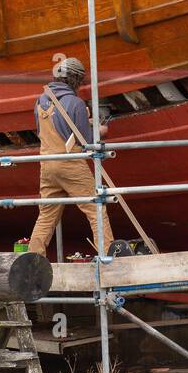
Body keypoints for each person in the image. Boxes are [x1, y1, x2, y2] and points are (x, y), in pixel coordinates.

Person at [26, 57, 114, 257]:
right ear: (74, 80)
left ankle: (33, 259)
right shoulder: (75, 102)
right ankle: (107, 256)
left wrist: (83, 120)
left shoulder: (40, 101)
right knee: (96, 209)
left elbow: (48, 129)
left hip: (47, 164)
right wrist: (101, 129)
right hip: (69, 164)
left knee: (46, 216)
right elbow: (86, 142)